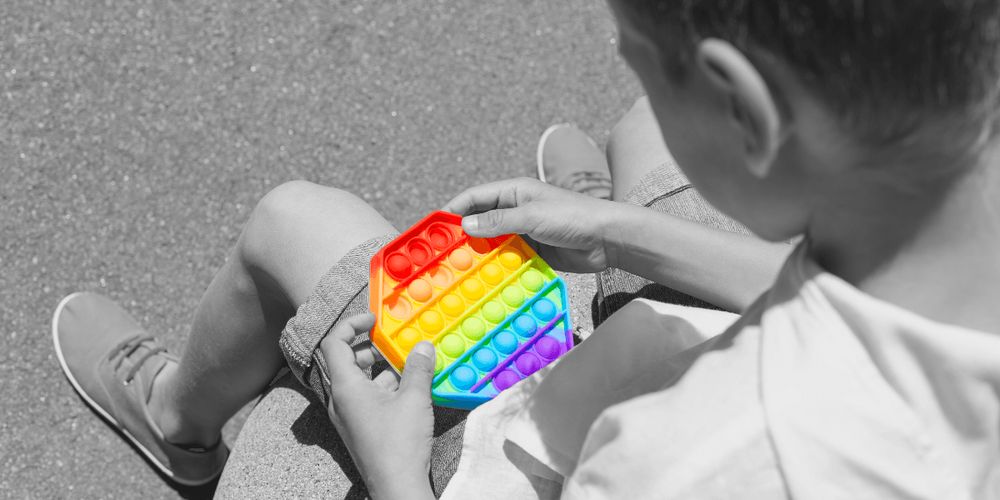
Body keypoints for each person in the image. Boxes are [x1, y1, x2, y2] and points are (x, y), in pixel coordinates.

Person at [54, 0, 1000, 498]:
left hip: (529, 457)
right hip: (684, 345)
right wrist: (619, 232)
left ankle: (182, 422)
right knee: (647, 138)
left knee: (292, 221)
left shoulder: (708, 456)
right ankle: (620, 214)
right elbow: (822, 297)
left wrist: (391, 468)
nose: (629, 57)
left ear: (746, 110)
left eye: (632, 48)